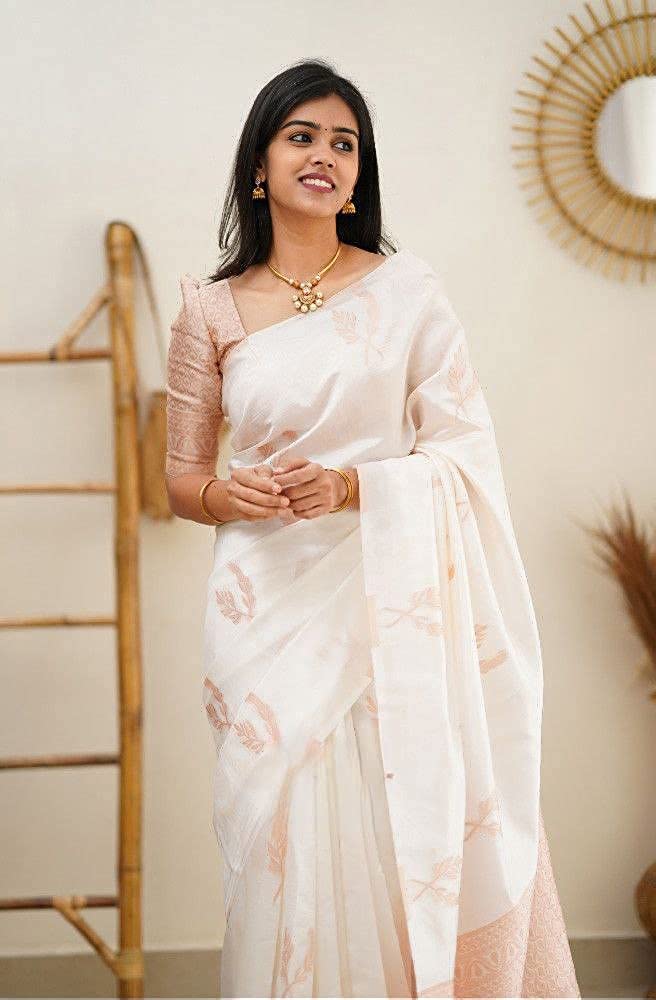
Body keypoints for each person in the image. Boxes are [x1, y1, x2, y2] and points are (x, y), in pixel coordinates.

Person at [165, 57, 581, 999]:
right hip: (268, 613)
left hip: (393, 608)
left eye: (345, 143)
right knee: (289, 841)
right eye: (302, 136)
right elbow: (182, 480)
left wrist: (354, 487)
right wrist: (231, 497)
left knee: (400, 832)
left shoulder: (409, 294)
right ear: (259, 164)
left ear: (359, 175)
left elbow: (465, 454)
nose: (325, 155)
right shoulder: (208, 311)